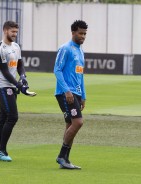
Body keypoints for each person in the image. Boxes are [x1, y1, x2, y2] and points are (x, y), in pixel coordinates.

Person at [0, 21, 30, 162]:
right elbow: (5, 72)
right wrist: (18, 85)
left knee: (3, 119)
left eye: (16, 32)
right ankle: (1, 150)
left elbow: (20, 65)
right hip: (2, 87)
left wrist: (23, 77)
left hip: (11, 87)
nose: (15, 35)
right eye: (12, 32)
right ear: (5, 31)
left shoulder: (16, 46)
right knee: (13, 117)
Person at [54, 20, 88, 169]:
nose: (83, 36)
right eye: (80, 33)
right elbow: (57, 70)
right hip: (65, 92)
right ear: (73, 32)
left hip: (77, 93)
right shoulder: (65, 48)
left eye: (85, 33)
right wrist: (67, 91)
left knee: (70, 124)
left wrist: (83, 96)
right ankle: (61, 156)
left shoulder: (81, 51)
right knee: (78, 122)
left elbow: (81, 75)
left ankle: (65, 160)